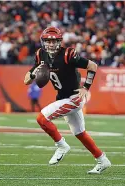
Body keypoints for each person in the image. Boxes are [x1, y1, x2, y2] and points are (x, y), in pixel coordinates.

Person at [24, 26, 111, 174]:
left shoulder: (67, 54)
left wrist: (86, 87)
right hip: (62, 97)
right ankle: (102, 160)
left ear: (59, 42)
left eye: (54, 41)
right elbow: (26, 80)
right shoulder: (40, 55)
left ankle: (62, 145)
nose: (51, 44)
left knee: (42, 118)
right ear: (43, 42)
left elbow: (93, 66)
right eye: (48, 41)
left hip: (73, 98)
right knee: (80, 133)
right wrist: (34, 74)